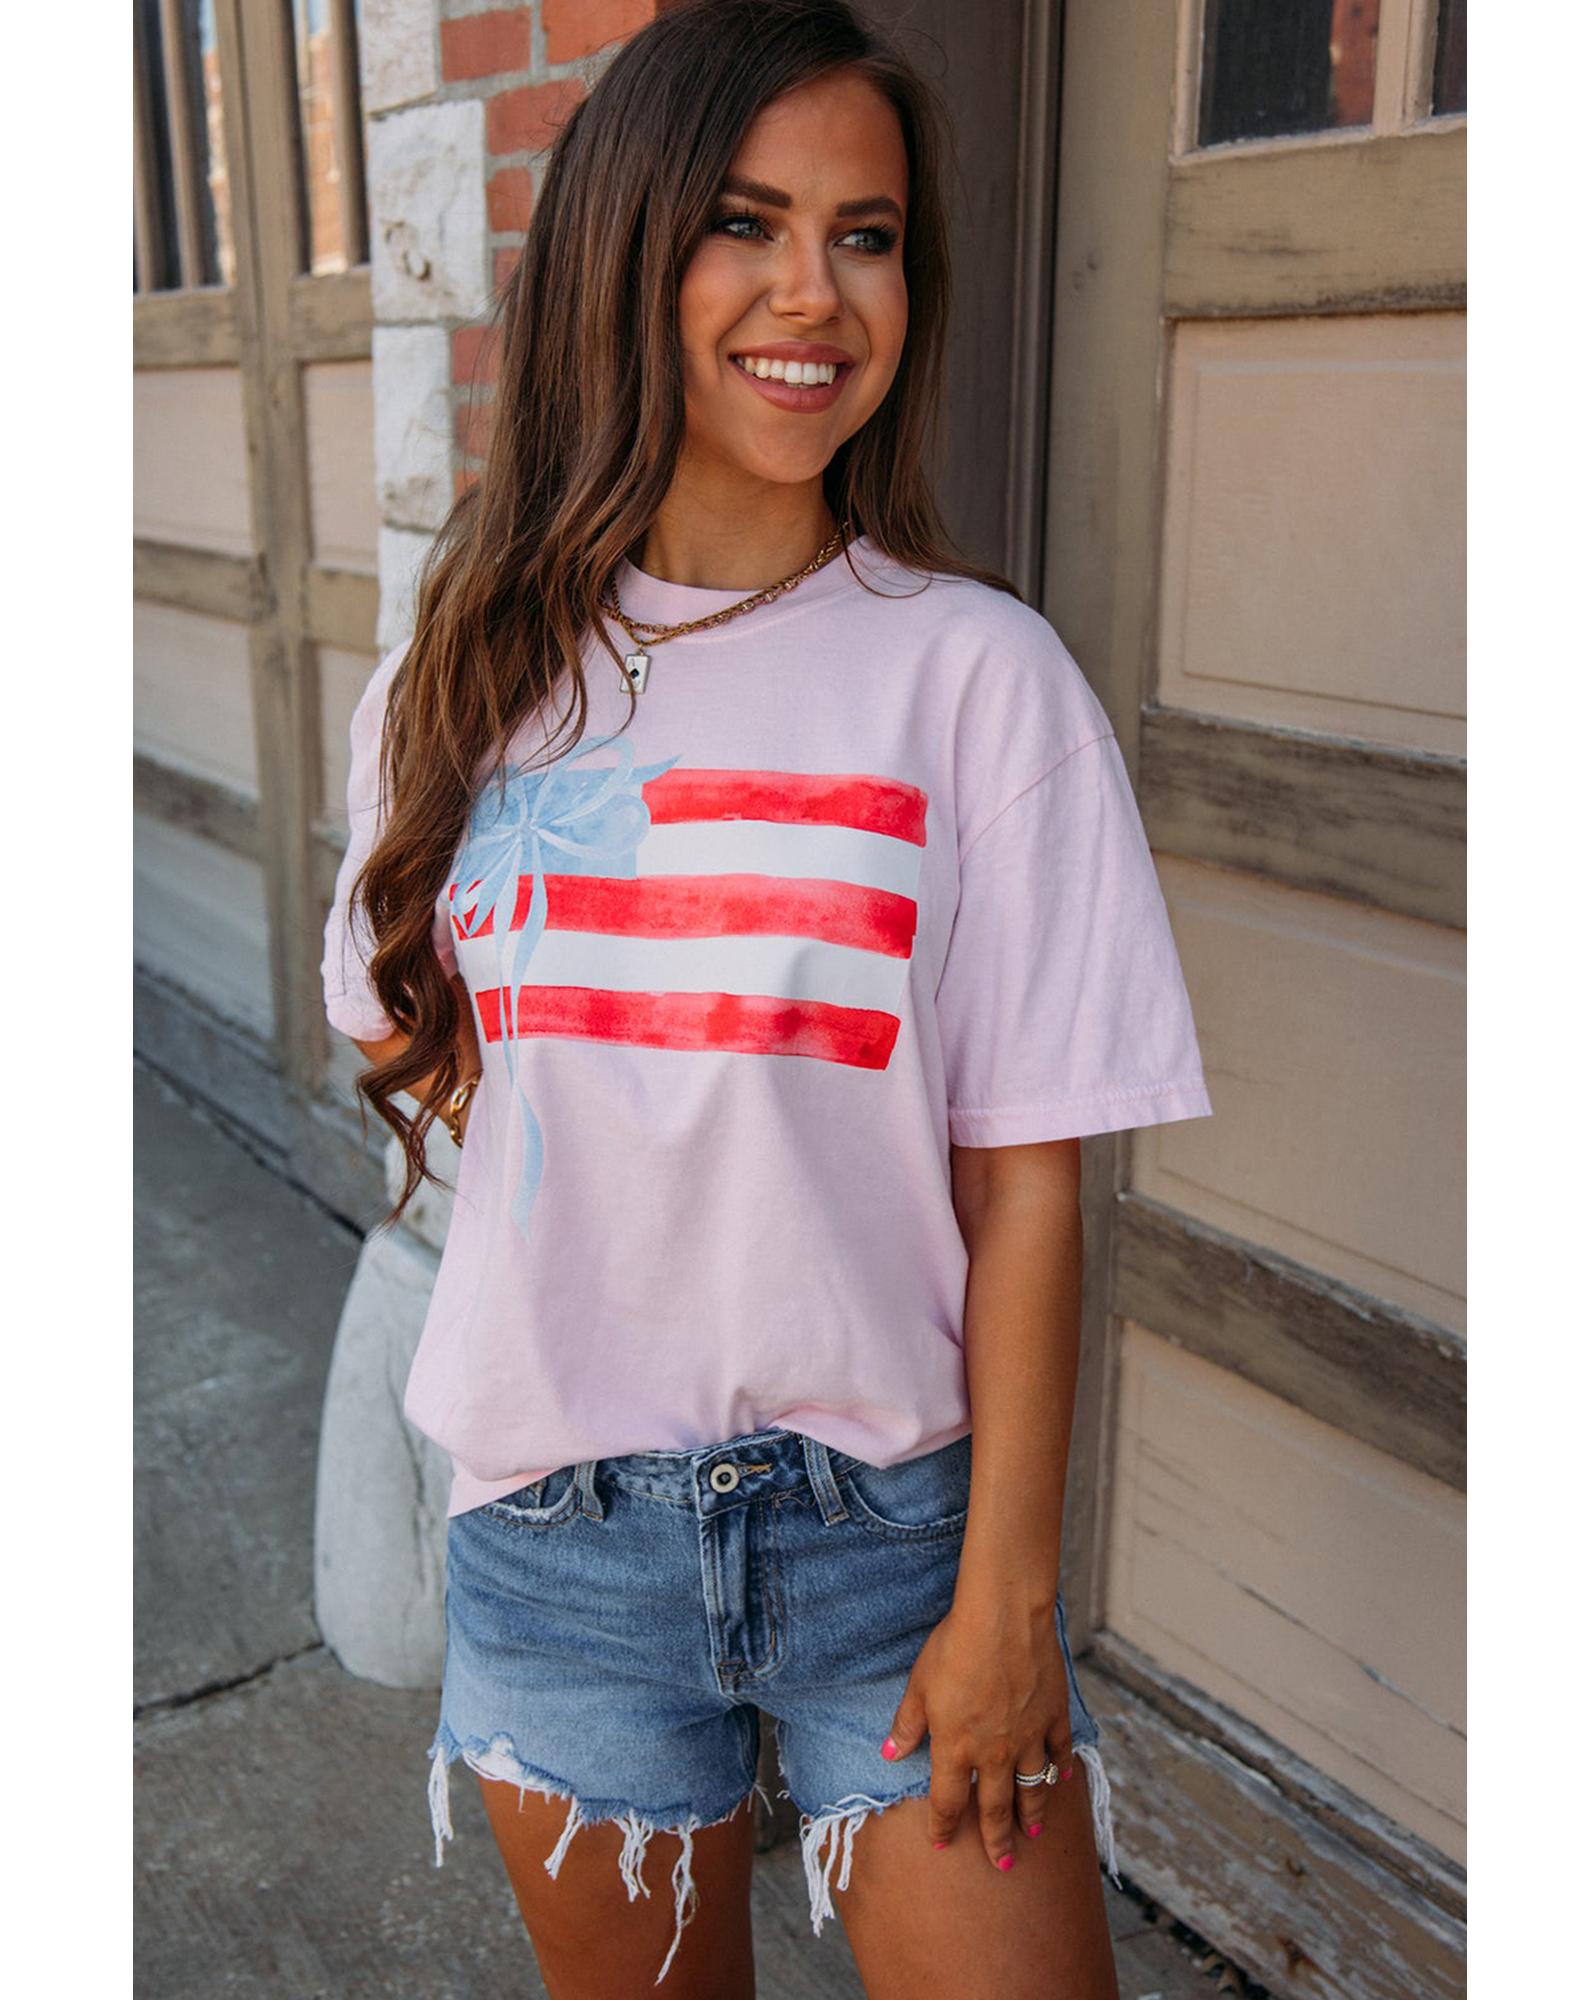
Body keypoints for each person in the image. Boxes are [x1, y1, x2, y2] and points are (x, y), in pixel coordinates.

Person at [322, 2, 1212, 1992]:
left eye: (864, 234)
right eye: (746, 222)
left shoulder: (975, 681)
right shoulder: (457, 683)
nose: (815, 290)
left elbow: (1028, 1186)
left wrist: (1008, 1603)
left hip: (891, 1546)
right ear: (623, 255)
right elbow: (399, 1025)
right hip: (560, 1549)